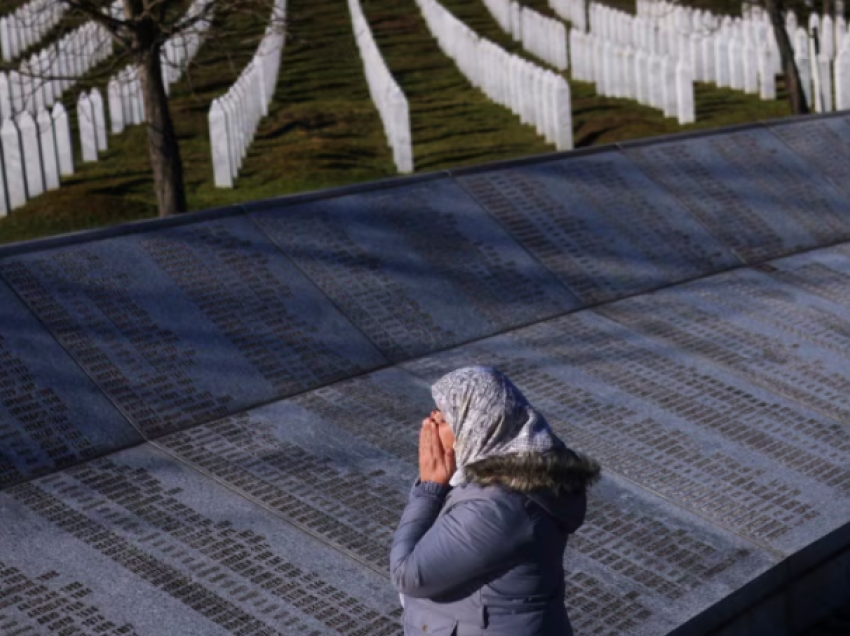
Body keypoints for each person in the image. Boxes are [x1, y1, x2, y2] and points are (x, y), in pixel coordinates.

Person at [390, 366, 601, 636]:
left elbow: (407, 575)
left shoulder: (497, 507)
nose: (430, 422)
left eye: (443, 416)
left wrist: (429, 488)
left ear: (474, 426)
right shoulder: (504, 477)